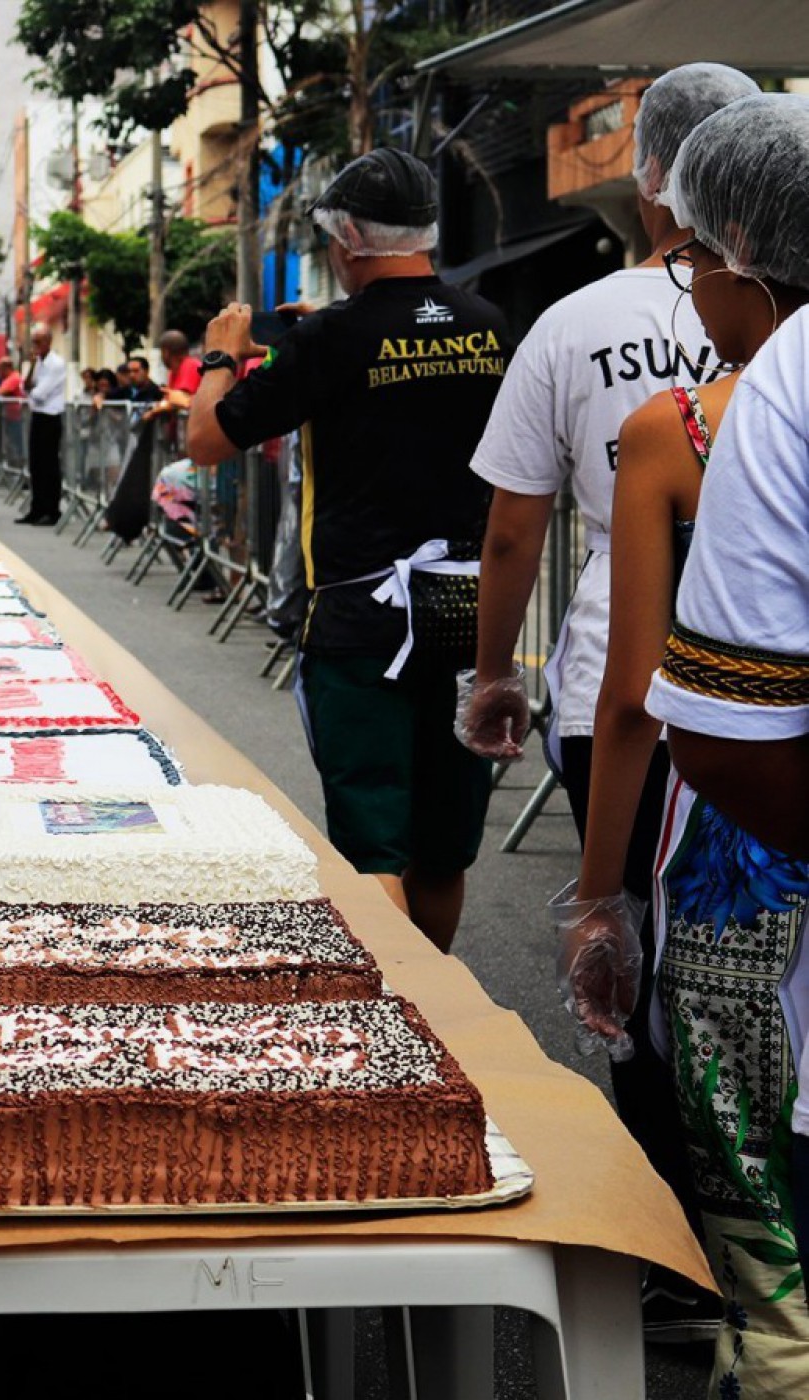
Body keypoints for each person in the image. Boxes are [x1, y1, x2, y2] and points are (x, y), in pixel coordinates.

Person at [456, 62, 758, 1342]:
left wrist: (490, 674)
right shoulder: (773, 328)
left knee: (635, 979)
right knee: (752, 976)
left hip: (618, 691)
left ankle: (672, 1252)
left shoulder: (577, 325)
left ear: (650, 176)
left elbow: (514, 531)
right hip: (763, 702)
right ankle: (752, 1248)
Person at [186, 147, 509, 953]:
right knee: (443, 843)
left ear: (350, 237)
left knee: (374, 845)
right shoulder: (492, 323)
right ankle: (446, 1000)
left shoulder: (331, 338)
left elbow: (204, 439)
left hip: (363, 617)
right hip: (470, 609)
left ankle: (409, 1022)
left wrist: (225, 353)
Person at [616, 95, 809, 1395]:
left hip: (757, 880)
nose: (687, 290)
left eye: (689, 260)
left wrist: (596, 890)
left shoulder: (767, 394)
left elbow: (705, 725)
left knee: (778, 1269)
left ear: (737, 249)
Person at [18, 324, 67, 525]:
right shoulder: (37, 362)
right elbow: (25, 387)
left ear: (48, 341)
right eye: (33, 341)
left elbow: (39, 394)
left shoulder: (56, 364)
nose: (35, 346)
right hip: (37, 415)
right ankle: (36, 508)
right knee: (35, 465)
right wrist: (30, 368)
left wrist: (31, 390)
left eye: (38, 341)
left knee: (49, 465)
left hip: (50, 416)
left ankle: (51, 510)